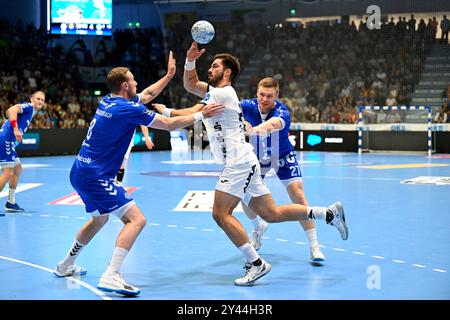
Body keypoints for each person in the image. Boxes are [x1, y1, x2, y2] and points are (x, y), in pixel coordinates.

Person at [156, 42, 348, 286]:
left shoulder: (222, 93)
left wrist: (165, 115)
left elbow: (191, 108)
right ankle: (328, 213)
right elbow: (190, 84)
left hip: (237, 162)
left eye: (214, 66)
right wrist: (190, 61)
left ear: (227, 73)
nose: (210, 70)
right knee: (272, 213)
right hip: (246, 158)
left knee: (220, 214)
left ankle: (256, 264)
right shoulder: (221, 94)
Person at [53, 56, 224, 296]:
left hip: (79, 171)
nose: (136, 84)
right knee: (136, 220)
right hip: (96, 176)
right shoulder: (126, 109)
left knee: (99, 219)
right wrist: (201, 115)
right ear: (124, 86)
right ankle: (111, 275)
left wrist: (168, 76)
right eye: (133, 81)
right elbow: (167, 124)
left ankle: (65, 265)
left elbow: (145, 96)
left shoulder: (109, 101)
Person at [239, 77, 325, 262]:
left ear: (277, 96)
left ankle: (314, 246)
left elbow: (272, 125)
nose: (264, 99)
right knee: (244, 199)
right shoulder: (246, 106)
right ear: (257, 93)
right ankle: (258, 226)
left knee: (298, 195)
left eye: (269, 96)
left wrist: (252, 130)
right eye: (262, 94)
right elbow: (228, 110)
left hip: (282, 155)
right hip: (258, 159)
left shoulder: (282, 112)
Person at [0, 91, 46, 216]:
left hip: (8, 141)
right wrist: (15, 129)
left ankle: (11, 202)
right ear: (31, 99)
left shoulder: (32, 112)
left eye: (42, 100)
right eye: (38, 98)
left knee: (17, 169)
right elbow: (11, 110)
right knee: (7, 173)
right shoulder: (29, 106)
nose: (40, 101)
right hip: (6, 140)